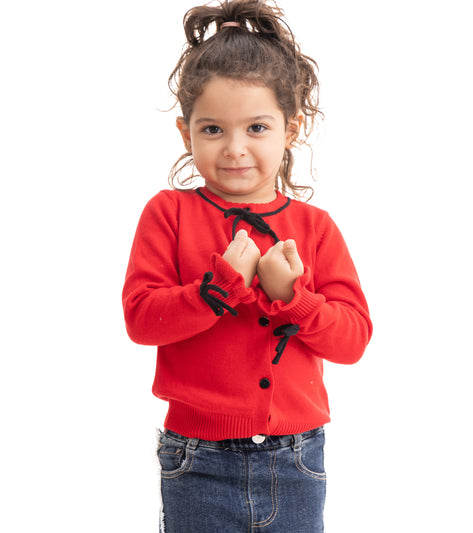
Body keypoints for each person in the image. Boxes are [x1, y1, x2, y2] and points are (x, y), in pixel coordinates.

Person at [122, 1, 372, 531]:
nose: (235, 149)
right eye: (213, 129)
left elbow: (351, 340)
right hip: (196, 457)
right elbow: (141, 320)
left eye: (257, 127)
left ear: (291, 129)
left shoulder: (316, 226)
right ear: (186, 133)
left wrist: (293, 297)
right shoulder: (168, 214)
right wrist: (217, 289)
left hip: (297, 458)